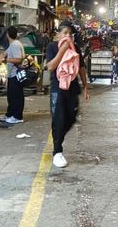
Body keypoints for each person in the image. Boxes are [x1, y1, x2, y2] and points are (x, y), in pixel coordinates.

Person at [46, 21, 90, 168]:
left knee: (71, 118)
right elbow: (51, 66)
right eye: (65, 33)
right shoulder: (52, 47)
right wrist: (62, 50)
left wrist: (85, 86)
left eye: (70, 34)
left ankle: (58, 138)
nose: (68, 36)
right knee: (58, 119)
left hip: (72, 88)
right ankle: (57, 151)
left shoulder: (75, 47)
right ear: (58, 34)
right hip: (57, 89)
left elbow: (81, 68)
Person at [0, 26, 25, 124]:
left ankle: (17, 117)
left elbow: (19, 59)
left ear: (7, 35)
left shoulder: (15, 45)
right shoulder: (13, 44)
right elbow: (3, 54)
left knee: (16, 97)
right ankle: (10, 114)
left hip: (15, 75)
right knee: (11, 96)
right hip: (11, 74)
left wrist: (5, 60)